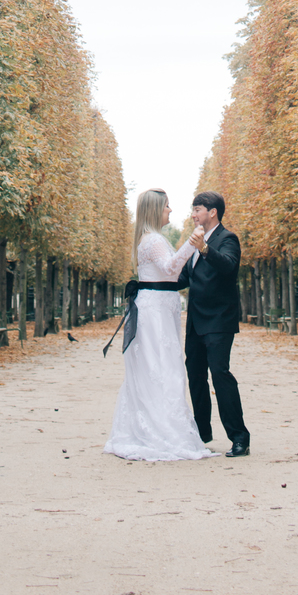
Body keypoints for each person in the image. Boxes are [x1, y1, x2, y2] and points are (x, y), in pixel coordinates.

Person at [103, 188, 212, 461]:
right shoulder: (153, 240)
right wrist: (192, 243)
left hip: (158, 308)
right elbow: (171, 269)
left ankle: (153, 427)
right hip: (156, 312)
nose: (170, 210)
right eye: (166, 206)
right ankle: (164, 432)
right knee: (163, 367)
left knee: (158, 367)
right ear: (155, 210)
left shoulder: (151, 238)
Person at [176, 190, 250, 458]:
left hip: (219, 320)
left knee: (220, 375)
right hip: (196, 322)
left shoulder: (227, 238)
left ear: (212, 212)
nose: (193, 215)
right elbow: (184, 278)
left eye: (197, 210)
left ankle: (239, 437)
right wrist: (150, 284)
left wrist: (204, 249)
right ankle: (202, 434)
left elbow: (229, 266)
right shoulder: (197, 241)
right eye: (193, 210)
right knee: (195, 376)